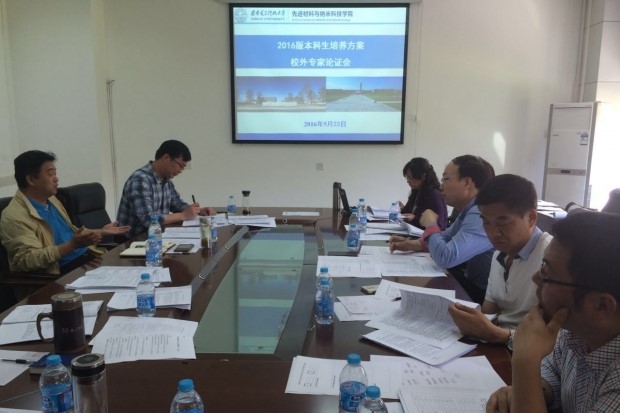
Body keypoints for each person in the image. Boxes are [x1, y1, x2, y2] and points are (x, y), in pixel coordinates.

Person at [486, 211, 620, 413]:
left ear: (601, 306)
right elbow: (553, 374)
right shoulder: (573, 332)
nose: (535, 278)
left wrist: (525, 361)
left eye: (547, 274)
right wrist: (528, 391)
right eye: (542, 266)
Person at [448, 174, 552, 344]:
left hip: (528, 352)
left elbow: (555, 337)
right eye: (486, 223)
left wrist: (498, 335)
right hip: (497, 345)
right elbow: (489, 312)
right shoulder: (499, 253)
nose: (493, 233)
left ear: (531, 218)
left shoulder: (551, 259)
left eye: (502, 223)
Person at [0, 150, 130, 275]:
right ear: (31, 180)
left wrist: (101, 231)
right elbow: (27, 260)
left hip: (87, 257)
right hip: (61, 272)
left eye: (55, 173)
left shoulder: (52, 200)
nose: (56, 179)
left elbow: (72, 234)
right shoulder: (14, 216)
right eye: (50, 174)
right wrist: (72, 245)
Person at [390, 155, 495, 303]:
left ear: (467, 182)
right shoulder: (469, 209)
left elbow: (446, 257)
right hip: (469, 282)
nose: (440, 186)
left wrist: (431, 225)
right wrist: (411, 244)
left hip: (482, 295)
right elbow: (446, 236)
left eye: (445, 179)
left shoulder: (480, 213)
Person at [117, 139, 216, 238]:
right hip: (132, 241)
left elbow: (177, 204)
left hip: (156, 236)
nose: (181, 171)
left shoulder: (166, 180)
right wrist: (183, 215)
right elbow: (148, 219)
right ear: (166, 158)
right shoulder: (141, 179)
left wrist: (198, 211)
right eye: (181, 166)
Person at [399, 157, 448, 230]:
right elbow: (409, 214)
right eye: (407, 178)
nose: (408, 181)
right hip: (413, 232)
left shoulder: (434, 195)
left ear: (423, 177)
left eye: (410, 177)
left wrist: (415, 218)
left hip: (427, 235)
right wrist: (402, 209)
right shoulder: (416, 192)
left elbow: (440, 226)